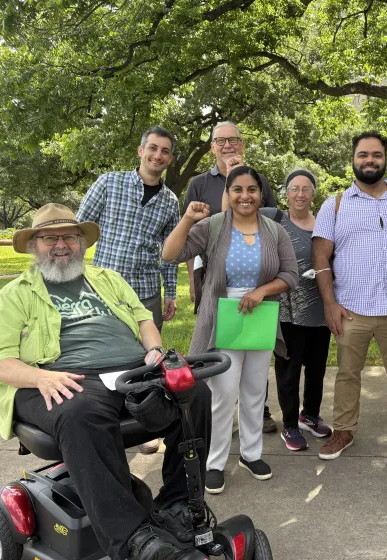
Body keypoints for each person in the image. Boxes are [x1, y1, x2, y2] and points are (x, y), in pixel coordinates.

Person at [0, 204, 210, 560]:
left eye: (69, 236)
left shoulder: (108, 280)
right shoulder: (15, 294)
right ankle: (134, 541)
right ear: (33, 246)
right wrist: (40, 376)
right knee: (80, 413)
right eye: (49, 238)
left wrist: (155, 352)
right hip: (60, 376)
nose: (61, 245)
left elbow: (143, 320)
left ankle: (177, 505)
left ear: (81, 243)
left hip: (132, 369)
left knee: (193, 393)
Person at [163, 166, 298, 494]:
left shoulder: (274, 231)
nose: (245, 196)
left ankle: (251, 454)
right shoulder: (213, 226)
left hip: (260, 315)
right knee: (222, 394)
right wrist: (187, 220)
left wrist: (261, 291)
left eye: (252, 189)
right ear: (228, 193)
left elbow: (290, 274)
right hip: (222, 317)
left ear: (261, 194)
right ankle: (215, 462)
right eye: (237, 189)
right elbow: (170, 254)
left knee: (255, 390)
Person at [312, 130, 387, 466]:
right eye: (363, 154)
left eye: (376, 155)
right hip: (351, 309)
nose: (369, 160)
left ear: (385, 159)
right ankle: (344, 430)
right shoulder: (334, 204)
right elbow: (320, 260)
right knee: (348, 373)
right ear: (353, 158)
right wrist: (330, 304)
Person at [77, 126, 182, 454]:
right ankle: (104, 419)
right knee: (103, 356)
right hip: (104, 289)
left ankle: (144, 424)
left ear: (170, 158)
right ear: (140, 150)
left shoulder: (170, 202)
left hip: (146, 290)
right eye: (152, 148)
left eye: (164, 151)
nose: (157, 155)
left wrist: (171, 292)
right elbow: (80, 230)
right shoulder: (109, 183)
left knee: (145, 359)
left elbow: (170, 252)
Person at [183, 121, 279, 434]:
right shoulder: (199, 183)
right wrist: (193, 283)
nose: (227, 146)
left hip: (254, 283)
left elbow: (270, 225)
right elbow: (195, 236)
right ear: (211, 147)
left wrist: (241, 177)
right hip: (213, 284)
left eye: (233, 140)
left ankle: (257, 411)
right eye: (220, 141)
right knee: (217, 354)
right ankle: (216, 417)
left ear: (243, 145)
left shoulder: (259, 181)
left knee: (254, 348)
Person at [260, 169, 333, 451]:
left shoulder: (326, 223)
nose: (300, 194)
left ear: (313, 194)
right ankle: (290, 425)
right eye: (294, 189)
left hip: (320, 308)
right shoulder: (273, 218)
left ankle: (310, 416)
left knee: (317, 370)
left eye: (306, 189)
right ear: (286, 193)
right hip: (287, 311)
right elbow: (235, 207)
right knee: (288, 372)